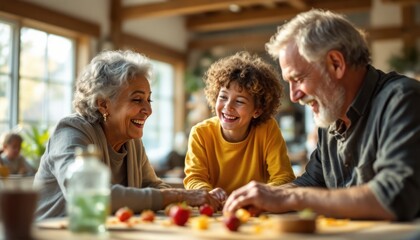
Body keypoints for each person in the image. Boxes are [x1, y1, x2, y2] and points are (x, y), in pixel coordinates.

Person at [223, 9, 420, 221]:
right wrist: (268, 194)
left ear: (336, 64)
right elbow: (313, 180)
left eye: (298, 78)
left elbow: (395, 195)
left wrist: (291, 199)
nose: (294, 96)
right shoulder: (332, 117)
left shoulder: (402, 99)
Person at [33, 50, 220, 221]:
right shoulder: (71, 130)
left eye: (149, 99)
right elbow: (89, 195)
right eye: (137, 99)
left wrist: (195, 197)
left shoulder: (132, 142)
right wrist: (179, 196)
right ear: (103, 104)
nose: (148, 110)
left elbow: (154, 187)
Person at [183, 51, 296, 204]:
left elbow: (284, 177)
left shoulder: (267, 129)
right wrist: (208, 193)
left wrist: (256, 196)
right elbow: (194, 178)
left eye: (240, 101)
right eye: (223, 97)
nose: (227, 107)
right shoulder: (200, 133)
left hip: (257, 210)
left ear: (257, 110)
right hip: (215, 210)